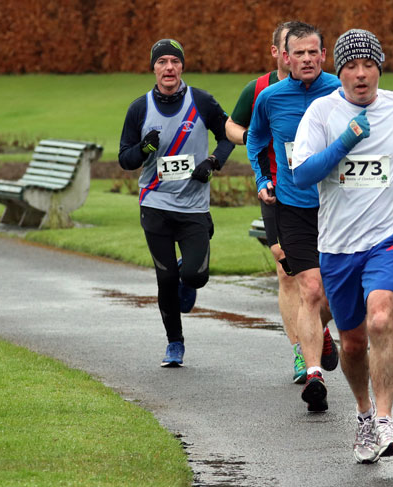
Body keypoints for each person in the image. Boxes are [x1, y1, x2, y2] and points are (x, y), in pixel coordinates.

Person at [292, 29, 393, 463]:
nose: (360, 74)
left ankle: (387, 421)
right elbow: (302, 174)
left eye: (368, 65)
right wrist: (346, 141)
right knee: (352, 344)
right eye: (351, 66)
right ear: (341, 72)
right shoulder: (321, 112)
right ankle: (365, 414)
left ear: (379, 68)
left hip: (389, 238)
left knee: (382, 318)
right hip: (337, 245)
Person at [118, 38, 234, 367]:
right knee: (165, 279)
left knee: (196, 277)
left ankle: (188, 270)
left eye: (174, 61)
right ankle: (174, 343)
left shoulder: (201, 101)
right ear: (153, 68)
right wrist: (143, 149)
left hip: (194, 205)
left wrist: (212, 162)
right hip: (155, 203)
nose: (169, 67)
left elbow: (229, 135)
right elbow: (125, 159)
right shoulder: (140, 108)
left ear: (182, 66)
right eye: (162, 62)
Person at [246, 21, 341, 412]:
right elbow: (255, 138)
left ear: (323, 54)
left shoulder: (340, 90)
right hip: (292, 205)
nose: (306, 59)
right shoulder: (270, 98)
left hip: (337, 206)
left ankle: (319, 330)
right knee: (309, 289)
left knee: (334, 292)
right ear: (285, 57)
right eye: (297, 53)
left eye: (312, 52)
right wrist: (262, 176)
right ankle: (314, 373)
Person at [225, 21, 305, 384]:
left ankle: (317, 329)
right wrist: (252, 136)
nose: (298, 56)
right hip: (274, 189)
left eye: (306, 50)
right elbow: (230, 125)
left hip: (321, 191)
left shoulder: (328, 87)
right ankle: (300, 353)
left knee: (330, 276)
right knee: (287, 273)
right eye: (290, 49)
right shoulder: (259, 89)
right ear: (277, 52)